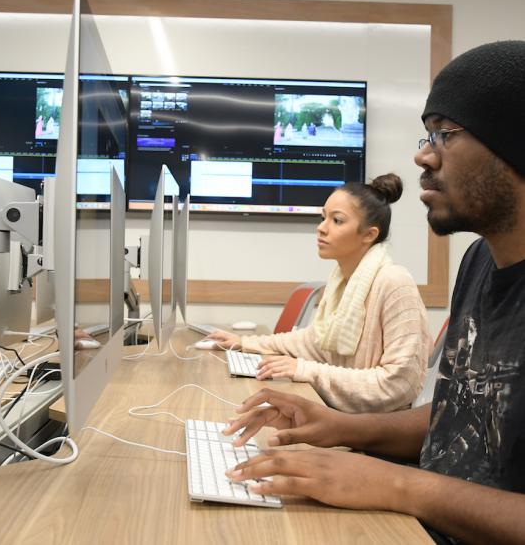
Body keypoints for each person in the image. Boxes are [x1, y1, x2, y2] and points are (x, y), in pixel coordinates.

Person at [222, 40, 525, 544]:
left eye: (444, 135)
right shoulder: (479, 262)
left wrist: (399, 485)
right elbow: (463, 412)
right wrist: (339, 428)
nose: (422, 154)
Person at [209, 173, 432, 413]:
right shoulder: (344, 282)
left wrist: (303, 370)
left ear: (369, 235)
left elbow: (398, 385)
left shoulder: (394, 283)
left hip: (376, 430)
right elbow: (313, 342)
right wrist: (245, 343)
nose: (321, 228)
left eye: (337, 221)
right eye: (323, 217)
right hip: (343, 416)